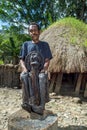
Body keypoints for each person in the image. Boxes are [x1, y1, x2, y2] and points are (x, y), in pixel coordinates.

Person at [19, 22, 52, 115]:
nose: (33, 32)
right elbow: (22, 59)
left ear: (39, 31)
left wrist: (45, 68)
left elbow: (47, 60)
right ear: (29, 33)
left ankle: (41, 105)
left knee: (41, 78)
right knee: (24, 76)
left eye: (35, 30)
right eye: (31, 31)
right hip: (29, 70)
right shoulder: (26, 45)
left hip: (40, 71)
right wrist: (24, 69)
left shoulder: (45, 45)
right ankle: (27, 102)